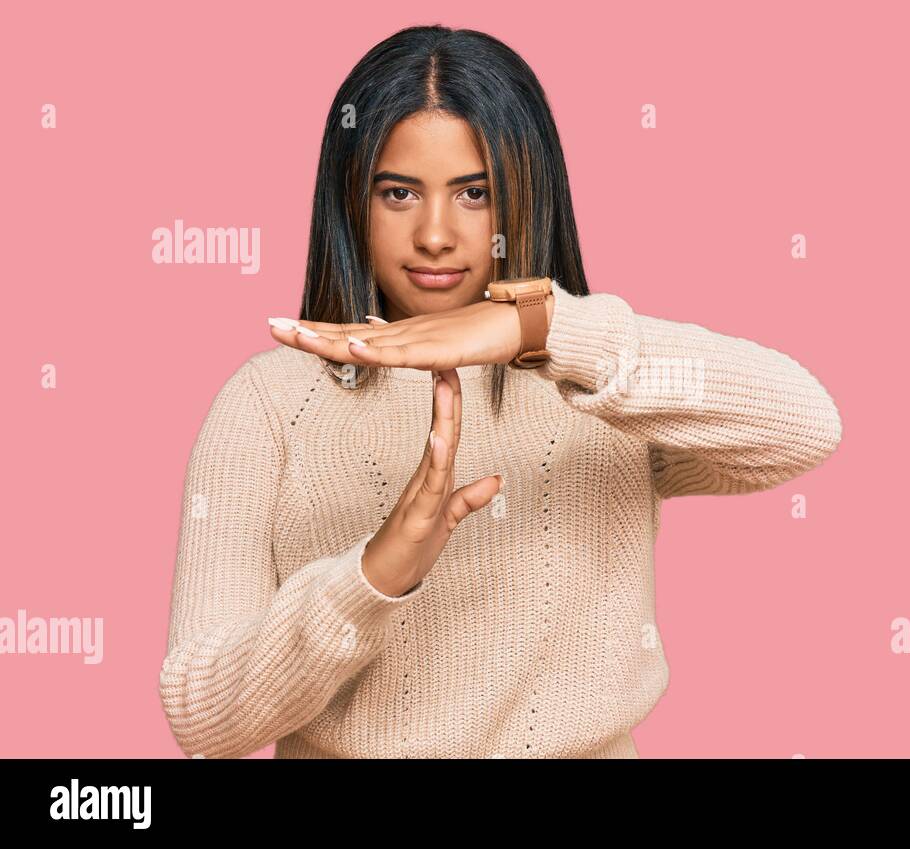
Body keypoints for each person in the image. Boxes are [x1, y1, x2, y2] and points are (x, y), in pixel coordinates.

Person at [158, 24, 842, 759]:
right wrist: (374, 573)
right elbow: (203, 717)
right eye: (398, 193)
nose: (435, 234)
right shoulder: (268, 404)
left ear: (526, 191)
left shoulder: (598, 382)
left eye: (474, 193)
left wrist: (540, 328)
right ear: (350, 199)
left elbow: (803, 423)